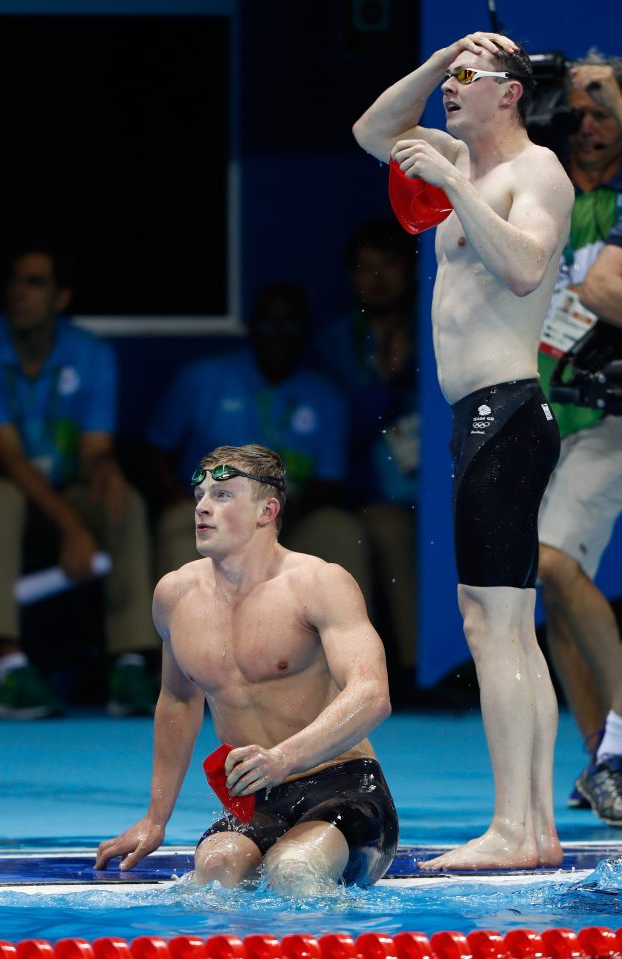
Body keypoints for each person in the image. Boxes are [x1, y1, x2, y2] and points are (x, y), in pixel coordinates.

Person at [353, 31, 574, 869]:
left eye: (467, 78)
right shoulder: (457, 156)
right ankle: (535, 828)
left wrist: (450, 182)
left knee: (494, 625)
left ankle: (513, 829)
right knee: (506, 628)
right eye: (449, 78)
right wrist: (444, 52)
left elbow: (523, 267)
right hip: (480, 417)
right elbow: (373, 134)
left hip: (508, 410)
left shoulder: (535, 171)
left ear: (511, 92)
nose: (450, 89)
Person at [95, 444, 397, 894]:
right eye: (200, 494)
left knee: (292, 870)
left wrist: (284, 758)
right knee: (215, 871)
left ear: (266, 510)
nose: (202, 506)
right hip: (257, 800)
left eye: (222, 495)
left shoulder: (318, 583)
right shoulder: (174, 596)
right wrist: (156, 818)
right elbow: (178, 700)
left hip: (345, 789)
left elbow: (372, 695)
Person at [0, 246, 159, 719]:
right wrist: (71, 529)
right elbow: (10, 460)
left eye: (34, 282)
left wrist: (104, 468)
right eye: (14, 279)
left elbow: (93, 450)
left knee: (125, 499)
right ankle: (8, 668)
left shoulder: (91, 355)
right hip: (1, 504)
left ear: (61, 298)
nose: (18, 291)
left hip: (62, 496)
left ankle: (129, 663)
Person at [146, 282, 373, 605]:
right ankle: (188, 647)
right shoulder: (202, 378)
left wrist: (268, 519)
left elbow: (329, 484)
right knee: (177, 521)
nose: (278, 334)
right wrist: (180, 497)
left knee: (341, 528)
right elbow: (155, 450)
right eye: (268, 323)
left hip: (288, 519)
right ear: (251, 328)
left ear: (305, 331)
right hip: (212, 510)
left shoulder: (327, 396)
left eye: (289, 324)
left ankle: (346, 648)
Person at [536, 54, 622, 826]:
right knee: (553, 593)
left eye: (600, 106)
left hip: (609, 414)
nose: (585, 123)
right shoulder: (543, 187)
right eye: (571, 109)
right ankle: (602, 759)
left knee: (554, 563)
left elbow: (603, 291)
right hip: (543, 408)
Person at [310, 219, 420, 684]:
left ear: (410, 270)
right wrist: (385, 383)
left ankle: (435, 671)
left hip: (439, 483)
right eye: (365, 268)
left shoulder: (438, 325)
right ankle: (390, 674)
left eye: (389, 265)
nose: (377, 278)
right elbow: (332, 431)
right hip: (368, 493)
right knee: (383, 531)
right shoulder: (332, 343)